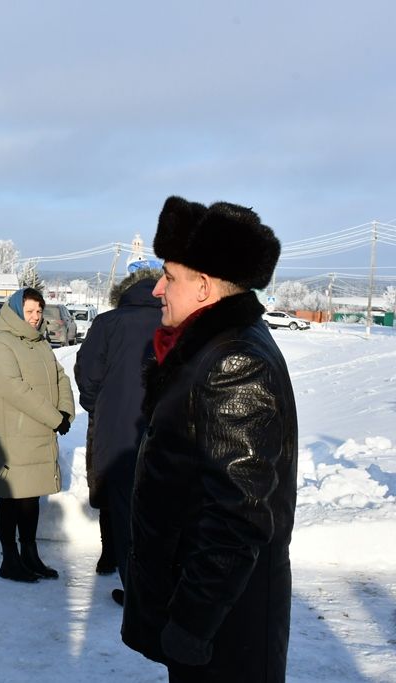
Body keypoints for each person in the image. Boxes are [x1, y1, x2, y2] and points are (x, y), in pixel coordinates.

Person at [120, 197, 298, 682]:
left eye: (169, 276)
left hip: (224, 631)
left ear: (202, 286)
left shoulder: (234, 361)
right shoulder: (213, 348)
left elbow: (237, 517)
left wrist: (191, 625)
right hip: (213, 620)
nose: (158, 288)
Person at [73, 265, 163, 604]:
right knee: (159, 510)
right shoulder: (175, 324)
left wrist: (99, 406)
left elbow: (87, 372)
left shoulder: (108, 323)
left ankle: (136, 591)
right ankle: (160, 587)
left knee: (124, 508)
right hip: (166, 431)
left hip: (119, 431)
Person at [0, 287, 75, 583]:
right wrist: (53, 417)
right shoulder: (1, 342)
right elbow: (11, 386)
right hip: (14, 434)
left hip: (39, 432)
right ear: (15, 312)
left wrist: (64, 412)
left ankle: (30, 554)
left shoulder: (38, 342)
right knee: (12, 497)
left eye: (38, 312)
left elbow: (60, 376)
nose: (35, 318)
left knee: (30, 497)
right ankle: (9, 559)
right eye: (29, 312)